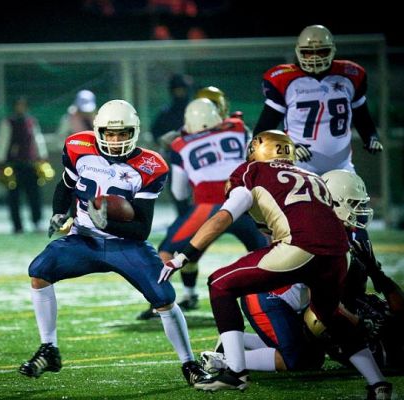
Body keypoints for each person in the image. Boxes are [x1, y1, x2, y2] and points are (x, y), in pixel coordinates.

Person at [159, 131, 392, 398]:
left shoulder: (251, 171)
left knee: (220, 284)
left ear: (256, 151)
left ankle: (235, 373)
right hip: (340, 253)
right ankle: (378, 383)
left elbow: (223, 216)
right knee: (330, 317)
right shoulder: (312, 176)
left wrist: (185, 255)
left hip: (300, 246)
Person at [18, 99, 207, 385]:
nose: (116, 140)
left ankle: (189, 363)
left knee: (164, 298)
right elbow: (66, 186)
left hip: (126, 245)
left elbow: (141, 229)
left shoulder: (150, 165)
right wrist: (60, 212)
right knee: (39, 270)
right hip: (83, 239)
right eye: (110, 133)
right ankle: (49, 347)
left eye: (123, 133)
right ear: (98, 131)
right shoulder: (77, 147)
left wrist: (107, 223)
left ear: (135, 132)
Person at [201, 170, 403, 379]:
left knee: (315, 349)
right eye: (354, 204)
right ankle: (222, 360)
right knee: (298, 358)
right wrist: (357, 328)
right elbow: (317, 316)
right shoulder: (314, 235)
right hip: (269, 298)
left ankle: (238, 341)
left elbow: (375, 293)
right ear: (332, 203)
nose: (360, 211)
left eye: (361, 204)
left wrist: (377, 277)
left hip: (301, 302)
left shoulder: (353, 234)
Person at [137, 98, 268, 320]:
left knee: (168, 251)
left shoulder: (180, 145)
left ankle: (162, 303)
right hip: (247, 201)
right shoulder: (238, 128)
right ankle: (277, 299)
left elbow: (179, 192)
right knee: (268, 251)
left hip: (207, 207)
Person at [253, 24, 383, 177]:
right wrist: (288, 146)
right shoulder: (284, 80)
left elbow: (362, 116)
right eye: (308, 52)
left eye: (321, 52)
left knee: (357, 200)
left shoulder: (350, 75)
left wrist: (371, 136)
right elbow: (263, 130)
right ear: (299, 51)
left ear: (332, 50)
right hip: (298, 168)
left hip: (342, 166)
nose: (314, 57)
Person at [0, 96, 48, 233]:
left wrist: (42, 155)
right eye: (18, 105)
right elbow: (3, 142)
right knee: (14, 196)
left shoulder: (32, 122)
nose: (21, 107)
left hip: (30, 164)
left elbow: (37, 139)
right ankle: (17, 225)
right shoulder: (8, 122)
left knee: (34, 195)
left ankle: (37, 222)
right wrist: (0, 161)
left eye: (23, 105)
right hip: (13, 165)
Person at [151, 73, 194, 216]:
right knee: (179, 198)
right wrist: (165, 140)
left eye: (182, 89)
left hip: (197, 161)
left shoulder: (196, 112)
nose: (180, 93)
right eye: (177, 89)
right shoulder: (166, 113)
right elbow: (156, 133)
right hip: (175, 162)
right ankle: (183, 222)